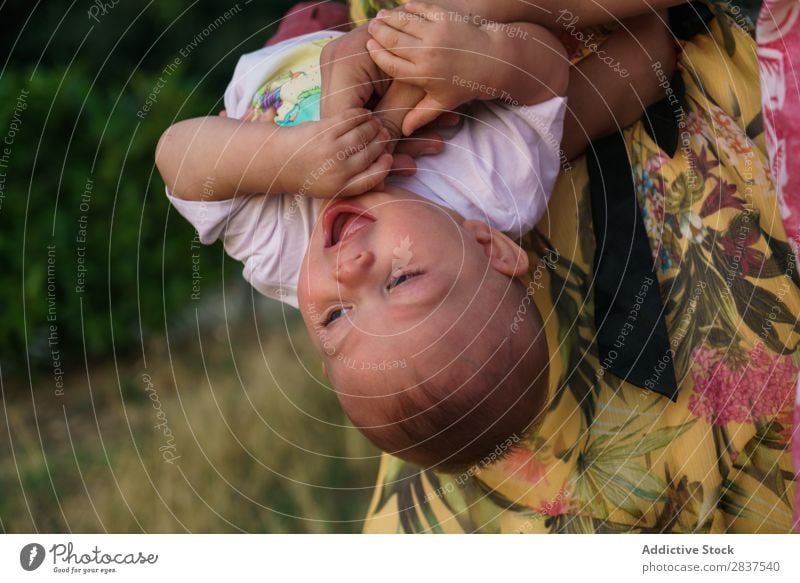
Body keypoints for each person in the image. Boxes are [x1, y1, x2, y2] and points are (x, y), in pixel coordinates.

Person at [155, 2, 676, 471]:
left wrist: (287, 162)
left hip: (289, 54)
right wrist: (485, 57)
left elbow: (176, 154)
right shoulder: (494, 187)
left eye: (336, 315)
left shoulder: (284, 249)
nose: (351, 269)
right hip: (403, 31)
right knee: (620, 77)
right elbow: (544, 75)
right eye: (400, 280)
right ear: (486, 245)